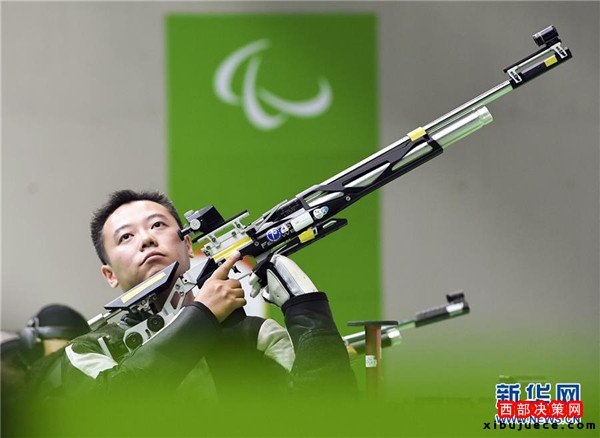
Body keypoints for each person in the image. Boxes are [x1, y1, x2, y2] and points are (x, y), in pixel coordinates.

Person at [27, 189, 356, 436]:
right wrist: (203, 315)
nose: (146, 239)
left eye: (158, 225)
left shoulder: (254, 336)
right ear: (110, 275)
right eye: (126, 237)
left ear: (187, 245)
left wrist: (307, 308)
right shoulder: (89, 349)